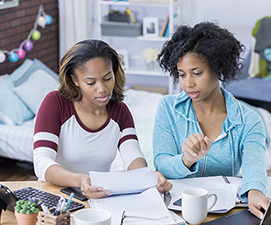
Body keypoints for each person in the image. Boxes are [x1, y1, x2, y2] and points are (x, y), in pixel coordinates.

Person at [153, 22, 270, 219]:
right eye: (181, 74)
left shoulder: (249, 120)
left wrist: (255, 192)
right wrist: (187, 159)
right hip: (174, 212)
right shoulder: (167, 108)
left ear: (218, 67)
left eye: (197, 73)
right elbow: (161, 162)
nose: (188, 83)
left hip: (225, 214)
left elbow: (254, 165)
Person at [33, 39, 172, 199]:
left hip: (98, 198)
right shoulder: (56, 103)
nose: (102, 89)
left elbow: (133, 157)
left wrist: (147, 177)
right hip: (56, 197)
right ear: (74, 80)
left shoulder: (120, 111)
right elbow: (41, 162)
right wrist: (81, 180)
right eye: (91, 82)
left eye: (107, 78)